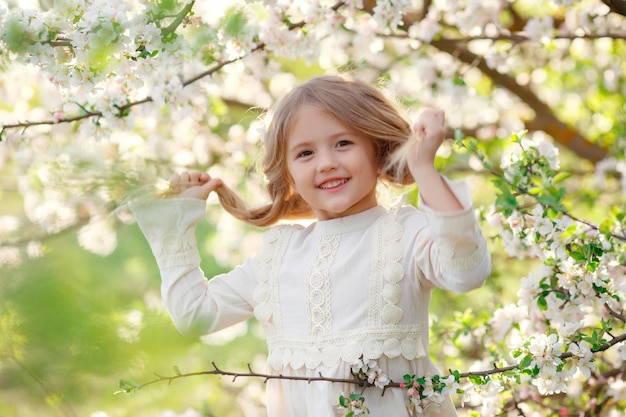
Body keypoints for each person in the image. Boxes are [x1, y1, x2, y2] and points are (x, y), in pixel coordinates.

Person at [130, 74, 491, 416]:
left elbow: (467, 272)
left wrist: (423, 167)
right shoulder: (278, 258)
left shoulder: (403, 233)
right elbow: (196, 315)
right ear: (287, 173)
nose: (327, 163)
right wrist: (176, 221)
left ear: (378, 152)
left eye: (343, 143)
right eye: (305, 153)